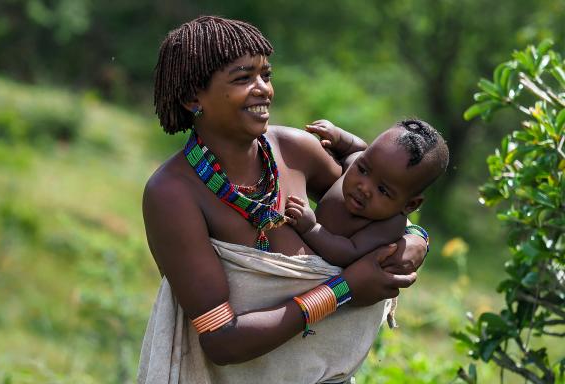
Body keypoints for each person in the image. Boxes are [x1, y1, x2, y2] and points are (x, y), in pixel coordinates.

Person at [138, 16, 429, 384]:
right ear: (193, 97)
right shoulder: (172, 194)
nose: (263, 90)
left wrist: (416, 239)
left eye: (266, 75)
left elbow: (383, 204)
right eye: (243, 78)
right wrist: (344, 290)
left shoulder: (295, 150)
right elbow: (221, 340)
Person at [285, 118, 449, 268]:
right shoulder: (356, 162)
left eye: (382, 190)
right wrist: (339, 136)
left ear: (410, 204)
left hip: (331, 281)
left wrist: (311, 229)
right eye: (363, 170)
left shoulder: (389, 226)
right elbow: (355, 147)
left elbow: (349, 253)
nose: (364, 188)